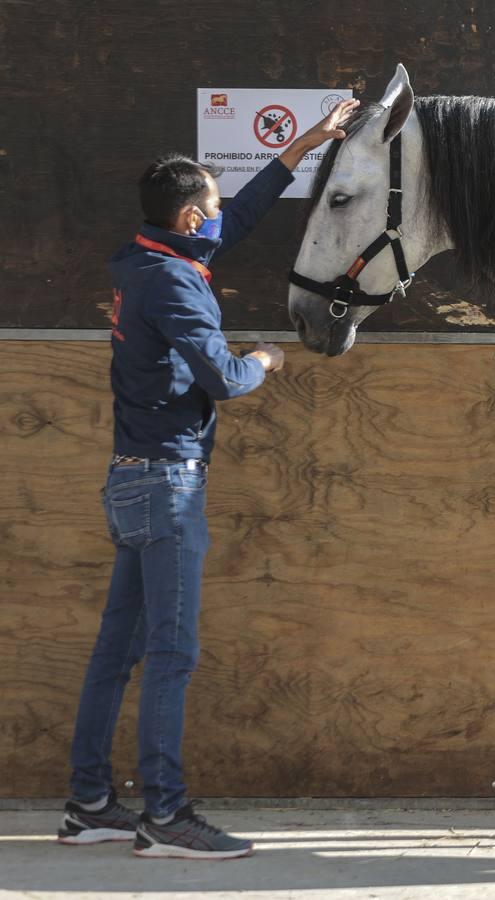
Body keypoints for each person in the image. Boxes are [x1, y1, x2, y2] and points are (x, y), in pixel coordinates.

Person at [57, 98, 360, 860]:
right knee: (172, 654)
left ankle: (89, 803)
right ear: (192, 220)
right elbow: (222, 380)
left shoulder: (143, 260)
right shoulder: (179, 285)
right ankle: (165, 815)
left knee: (115, 653)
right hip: (167, 488)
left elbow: (243, 216)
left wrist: (305, 145)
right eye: (213, 209)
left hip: (131, 484)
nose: (225, 218)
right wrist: (264, 359)